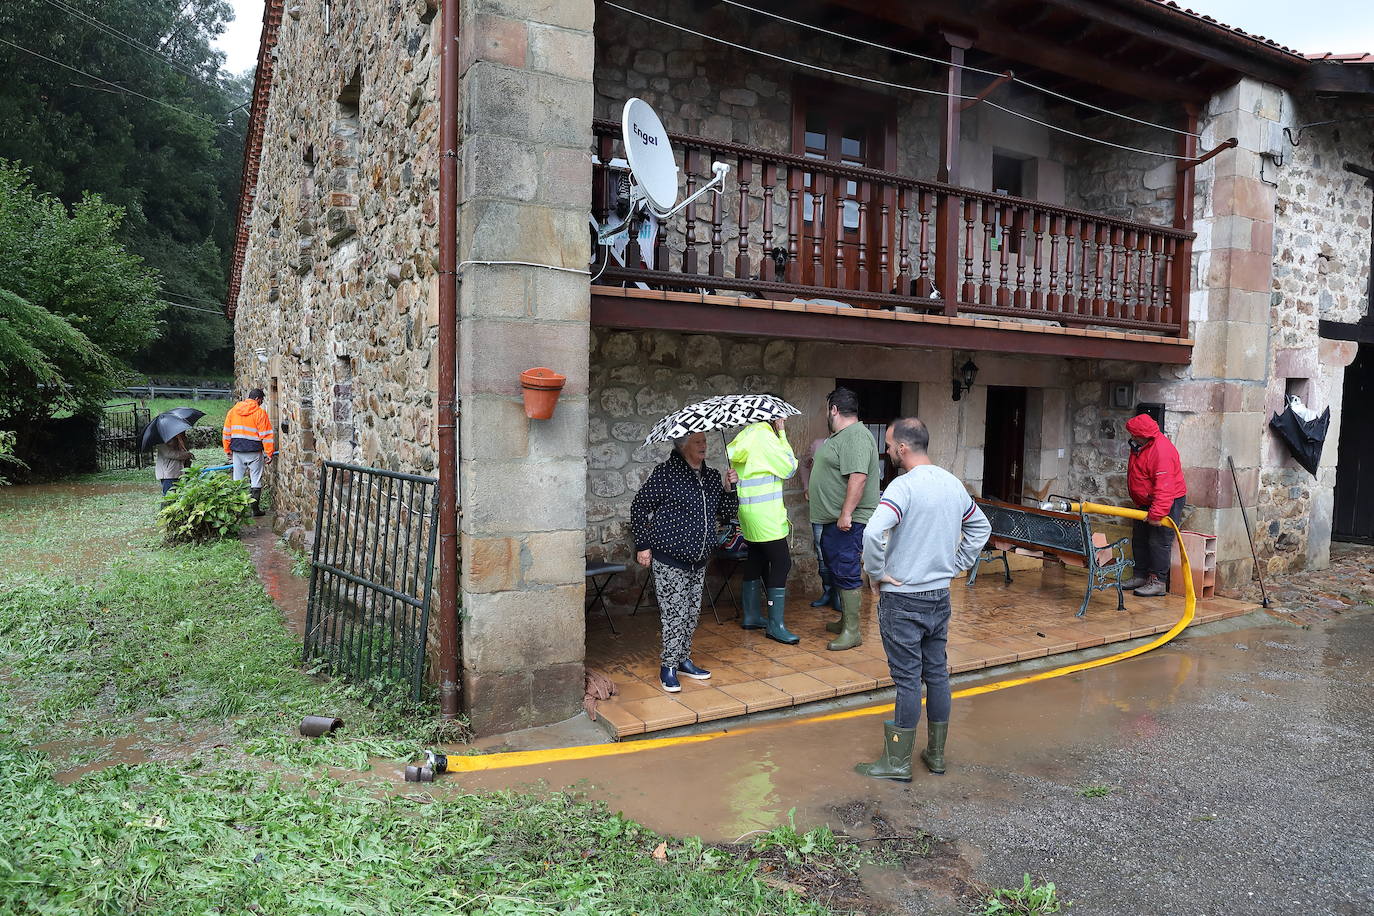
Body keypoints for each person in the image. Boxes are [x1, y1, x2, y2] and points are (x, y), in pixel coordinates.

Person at [858, 417, 991, 782]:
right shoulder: (952, 485)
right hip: (939, 596)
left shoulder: (903, 487)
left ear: (903, 448)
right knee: (936, 675)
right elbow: (981, 527)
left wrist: (876, 571)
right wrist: (957, 564)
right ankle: (935, 755)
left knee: (906, 681)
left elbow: (872, 532)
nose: (887, 452)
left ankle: (897, 762)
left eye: (888, 446)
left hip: (902, 599)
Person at [631, 431, 739, 693]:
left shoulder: (712, 476)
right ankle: (667, 666)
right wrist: (643, 545)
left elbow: (726, 514)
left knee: (691, 614)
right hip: (670, 557)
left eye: (705, 441)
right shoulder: (666, 474)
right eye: (698, 442)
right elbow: (639, 507)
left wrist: (729, 488)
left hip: (699, 558)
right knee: (674, 614)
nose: (704, 446)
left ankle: (682, 660)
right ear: (682, 446)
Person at [809, 387, 880, 651]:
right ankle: (845, 621)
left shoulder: (855, 436)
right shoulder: (843, 436)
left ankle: (853, 631)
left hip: (848, 521)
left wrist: (846, 513)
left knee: (847, 569)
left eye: (827, 409)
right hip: (835, 520)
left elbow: (858, 477)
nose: (826, 413)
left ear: (834, 409)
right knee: (838, 567)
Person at [727, 413, 799, 644]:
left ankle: (751, 616)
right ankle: (775, 626)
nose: (784, 422)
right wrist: (781, 433)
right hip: (766, 515)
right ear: (775, 417)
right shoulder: (765, 436)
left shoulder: (745, 436)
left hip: (748, 512)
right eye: (782, 419)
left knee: (756, 559)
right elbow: (789, 468)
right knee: (782, 562)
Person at [1121, 413, 1187, 597]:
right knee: (1140, 538)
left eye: (1134, 434)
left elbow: (1165, 487)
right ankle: (1140, 575)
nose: (1131, 437)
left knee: (1159, 541)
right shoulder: (1141, 446)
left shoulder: (1161, 451)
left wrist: (1157, 514)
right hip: (1146, 500)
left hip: (1167, 500)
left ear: (1143, 435)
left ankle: (1158, 581)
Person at [222, 388, 275, 517]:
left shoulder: (233, 411)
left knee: (237, 479)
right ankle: (255, 510)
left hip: (237, 451)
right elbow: (266, 435)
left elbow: (226, 432)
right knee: (256, 479)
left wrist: (227, 449)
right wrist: (269, 453)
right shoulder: (260, 413)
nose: (261, 403)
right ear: (257, 399)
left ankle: (237, 511)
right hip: (254, 451)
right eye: (261, 401)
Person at [800, 436, 838, 612]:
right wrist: (806, 486)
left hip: (841, 509)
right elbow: (804, 464)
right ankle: (828, 592)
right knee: (822, 553)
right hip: (819, 509)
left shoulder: (850, 445)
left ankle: (839, 595)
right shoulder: (817, 444)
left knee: (840, 554)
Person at [154, 431, 194, 496]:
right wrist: (186, 455)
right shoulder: (161, 439)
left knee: (178, 495)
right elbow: (169, 453)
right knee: (169, 496)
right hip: (168, 474)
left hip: (177, 471)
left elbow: (184, 449)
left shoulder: (178, 437)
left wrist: (181, 439)